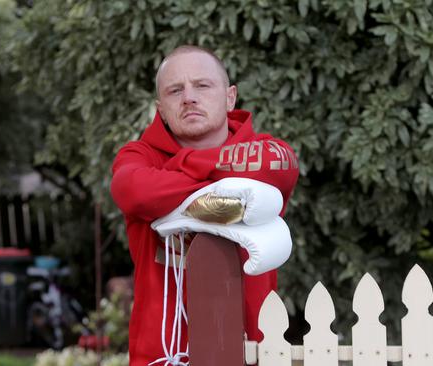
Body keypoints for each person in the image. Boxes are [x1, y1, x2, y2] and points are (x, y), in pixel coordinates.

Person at [110, 45, 299, 366]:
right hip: (163, 356)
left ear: (230, 97)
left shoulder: (268, 151)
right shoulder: (138, 156)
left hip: (253, 351)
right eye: (175, 90)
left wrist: (173, 180)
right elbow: (133, 191)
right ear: (161, 108)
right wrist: (228, 181)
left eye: (202, 85)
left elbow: (281, 167)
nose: (188, 97)